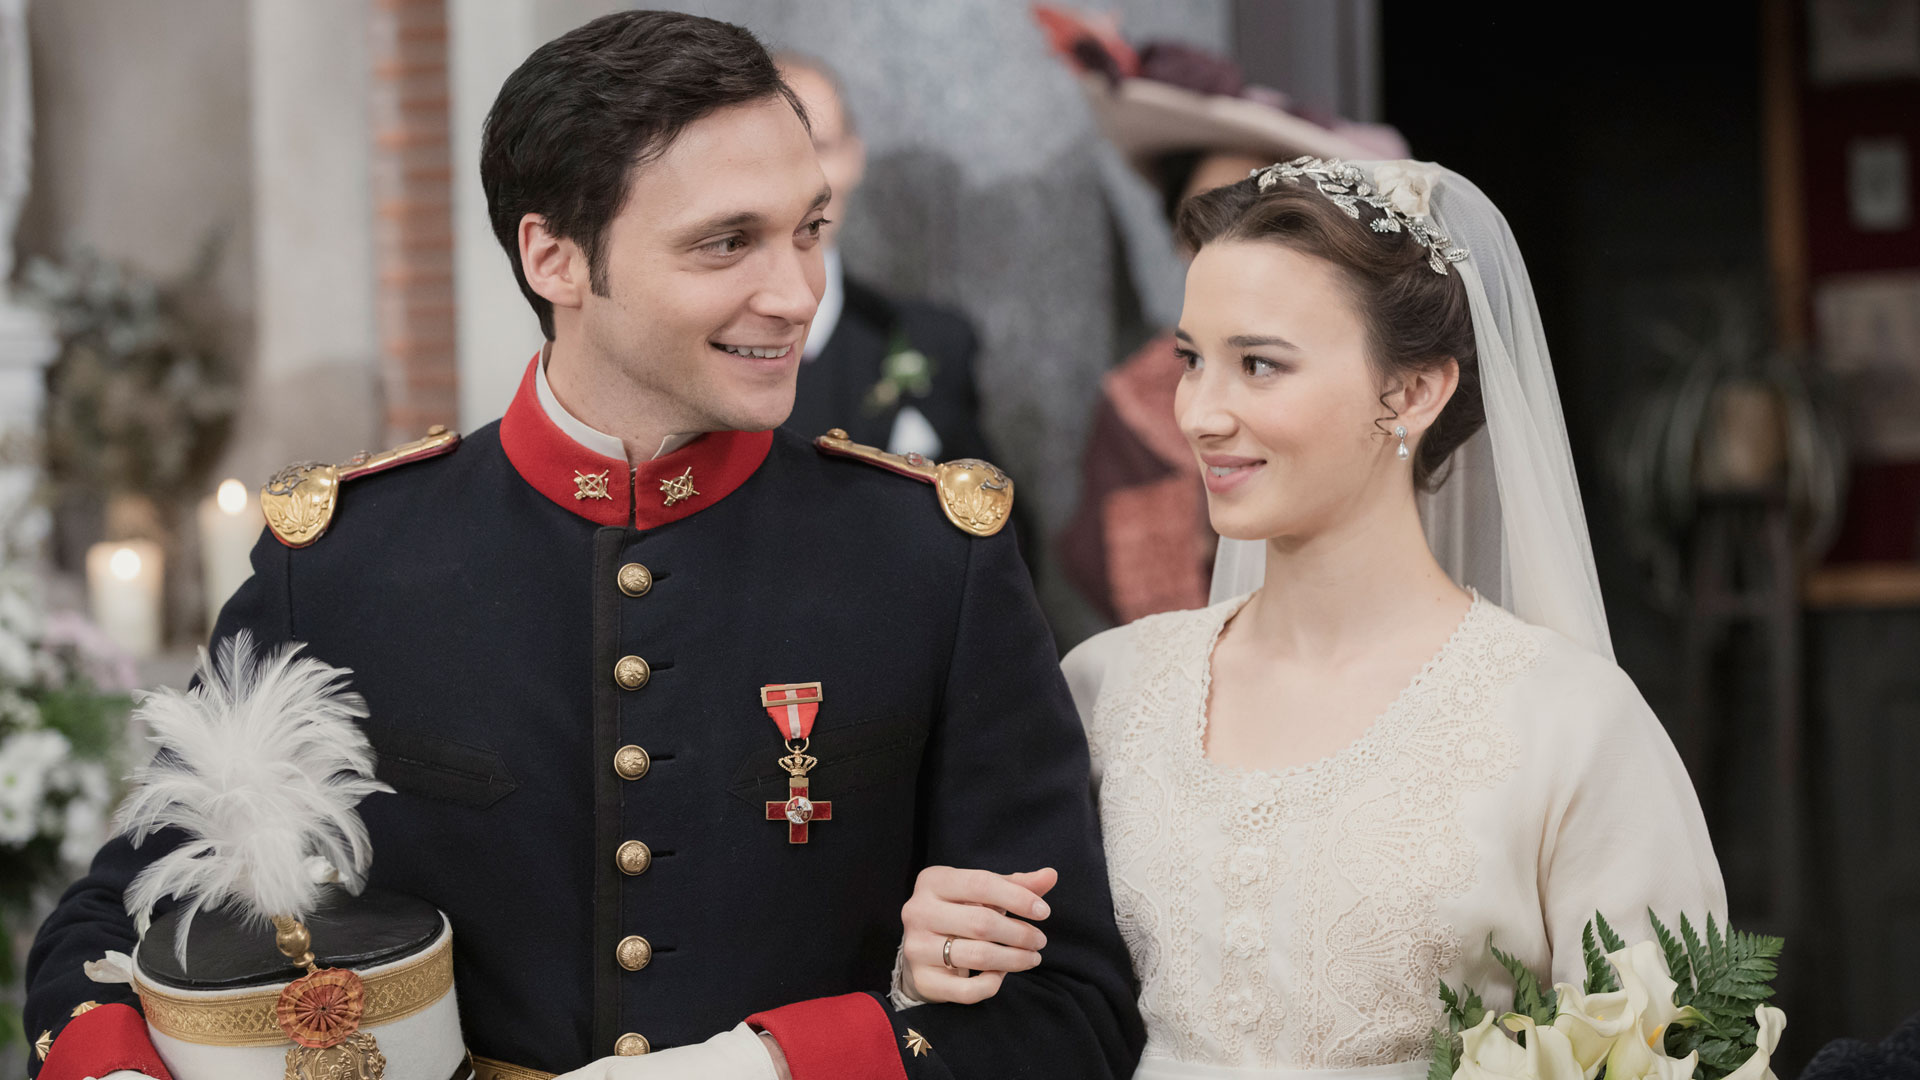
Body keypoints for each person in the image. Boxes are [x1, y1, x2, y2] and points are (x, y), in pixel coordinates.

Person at [23, 12, 1142, 1080]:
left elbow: (1075, 1010)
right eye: (727, 243)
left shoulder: (931, 561)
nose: (798, 292)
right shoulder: (342, 566)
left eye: (809, 230)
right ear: (554, 257)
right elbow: (115, 926)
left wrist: (768, 1063)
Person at [893, 158, 1726, 1078]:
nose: (1199, 414)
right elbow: (1037, 1023)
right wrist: (937, 962)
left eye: (1259, 365)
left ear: (1412, 392)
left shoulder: (1571, 724)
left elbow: (1678, 1049)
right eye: (1191, 360)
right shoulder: (1104, 690)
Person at [1036, 6, 1407, 627]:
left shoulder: (1385, 371)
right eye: (1208, 223)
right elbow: (1147, 606)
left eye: (1262, 219)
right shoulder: (1138, 407)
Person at [773, 53, 996, 466]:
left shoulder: (932, 342)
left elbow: (985, 499)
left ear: (854, 158)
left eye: (819, 148)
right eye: (774, 154)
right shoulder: (692, 345)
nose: (802, 181)